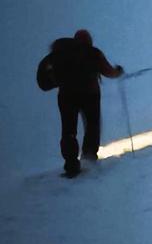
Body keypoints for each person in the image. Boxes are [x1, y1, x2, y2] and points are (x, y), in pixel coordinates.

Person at [39, 30, 123, 178]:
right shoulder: (93, 52)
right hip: (90, 95)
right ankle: (89, 157)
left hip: (66, 96)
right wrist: (118, 72)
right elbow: (107, 71)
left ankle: (71, 164)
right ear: (89, 40)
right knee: (92, 125)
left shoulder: (59, 55)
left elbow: (44, 77)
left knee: (69, 130)